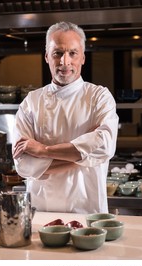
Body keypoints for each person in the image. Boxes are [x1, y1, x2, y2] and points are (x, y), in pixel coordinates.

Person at [12, 21, 119, 214]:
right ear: (47, 57)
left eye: (72, 53)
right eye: (58, 53)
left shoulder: (99, 97)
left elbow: (104, 146)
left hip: (88, 211)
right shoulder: (32, 101)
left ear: (83, 58)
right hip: (41, 212)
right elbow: (24, 165)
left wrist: (43, 151)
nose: (64, 62)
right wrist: (85, 156)